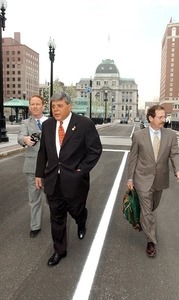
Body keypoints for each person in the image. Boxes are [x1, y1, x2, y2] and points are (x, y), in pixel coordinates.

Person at [35, 92, 102, 267]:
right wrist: (39, 174)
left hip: (75, 181)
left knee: (76, 210)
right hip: (53, 181)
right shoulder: (48, 125)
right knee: (56, 216)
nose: (55, 109)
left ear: (69, 106)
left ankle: (82, 220)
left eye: (59, 106)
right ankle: (59, 251)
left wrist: (82, 169)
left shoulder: (84, 124)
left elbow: (95, 150)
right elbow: (43, 152)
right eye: (53, 106)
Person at [127, 105, 179, 257]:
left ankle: (143, 220)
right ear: (151, 118)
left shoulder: (170, 135)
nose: (163, 120)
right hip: (142, 178)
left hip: (160, 178)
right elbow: (133, 158)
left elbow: (175, 154)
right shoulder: (139, 135)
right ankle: (150, 241)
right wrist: (130, 178)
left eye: (164, 117)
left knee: (153, 206)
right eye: (160, 117)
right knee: (147, 211)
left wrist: (178, 169)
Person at [18, 95, 48, 238]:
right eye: (32, 104)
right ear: (29, 106)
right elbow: (20, 137)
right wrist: (25, 139)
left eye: (38, 104)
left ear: (43, 106)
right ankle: (35, 226)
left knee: (53, 199)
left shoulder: (51, 122)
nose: (35, 106)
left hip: (50, 168)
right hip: (32, 167)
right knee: (34, 199)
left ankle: (57, 222)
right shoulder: (25, 123)